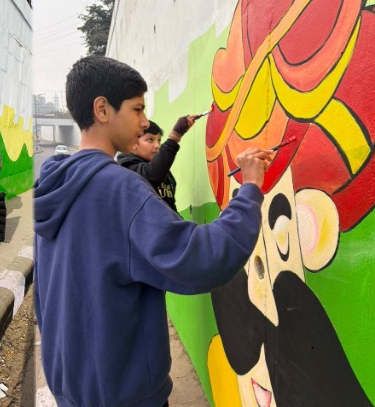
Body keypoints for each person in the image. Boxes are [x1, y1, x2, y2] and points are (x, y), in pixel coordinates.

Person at [33, 55, 274, 407]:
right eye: (137, 109)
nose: (145, 123)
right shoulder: (119, 190)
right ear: (102, 109)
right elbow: (201, 259)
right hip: (125, 395)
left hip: (70, 390)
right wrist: (250, 189)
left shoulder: (52, 188)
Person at [116, 113, 200, 211]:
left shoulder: (165, 174)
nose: (157, 146)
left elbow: (171, 209)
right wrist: (174, 137)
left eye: (159, 140)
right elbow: (151, 176)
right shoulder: (126, 168)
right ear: (133, 142)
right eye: (150, 140)